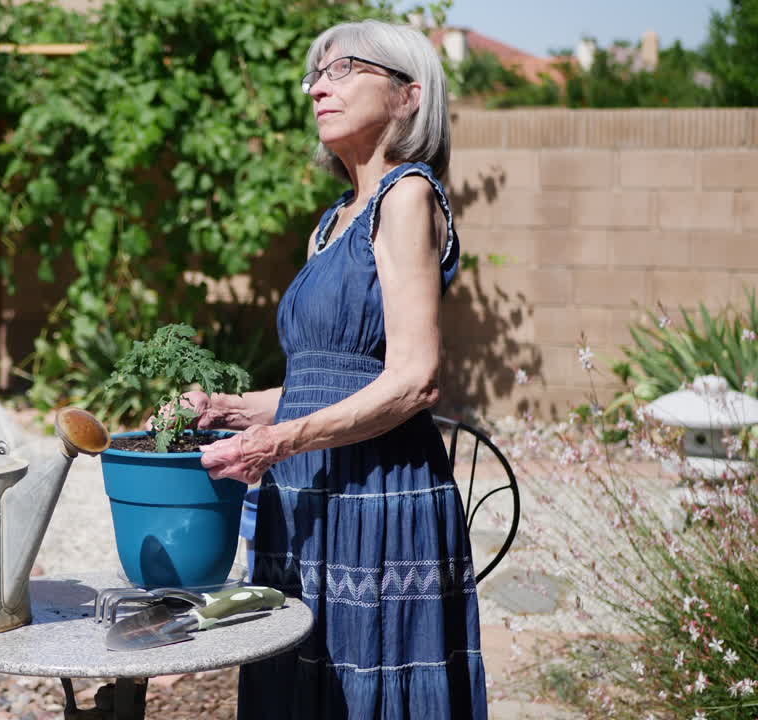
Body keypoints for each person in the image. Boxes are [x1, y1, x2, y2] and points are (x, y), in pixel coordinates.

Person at [182, 19, 487, 720]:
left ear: (409, 95)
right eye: (316, 74)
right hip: (310, 493)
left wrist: (279, 441)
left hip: (377, 497)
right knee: (301, 685)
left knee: (365, 687)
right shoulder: (334, 220)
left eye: (344, 67)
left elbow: (414, 380)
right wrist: (233, 409)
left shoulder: (406, 197)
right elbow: (327, 382)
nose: (320, 85)